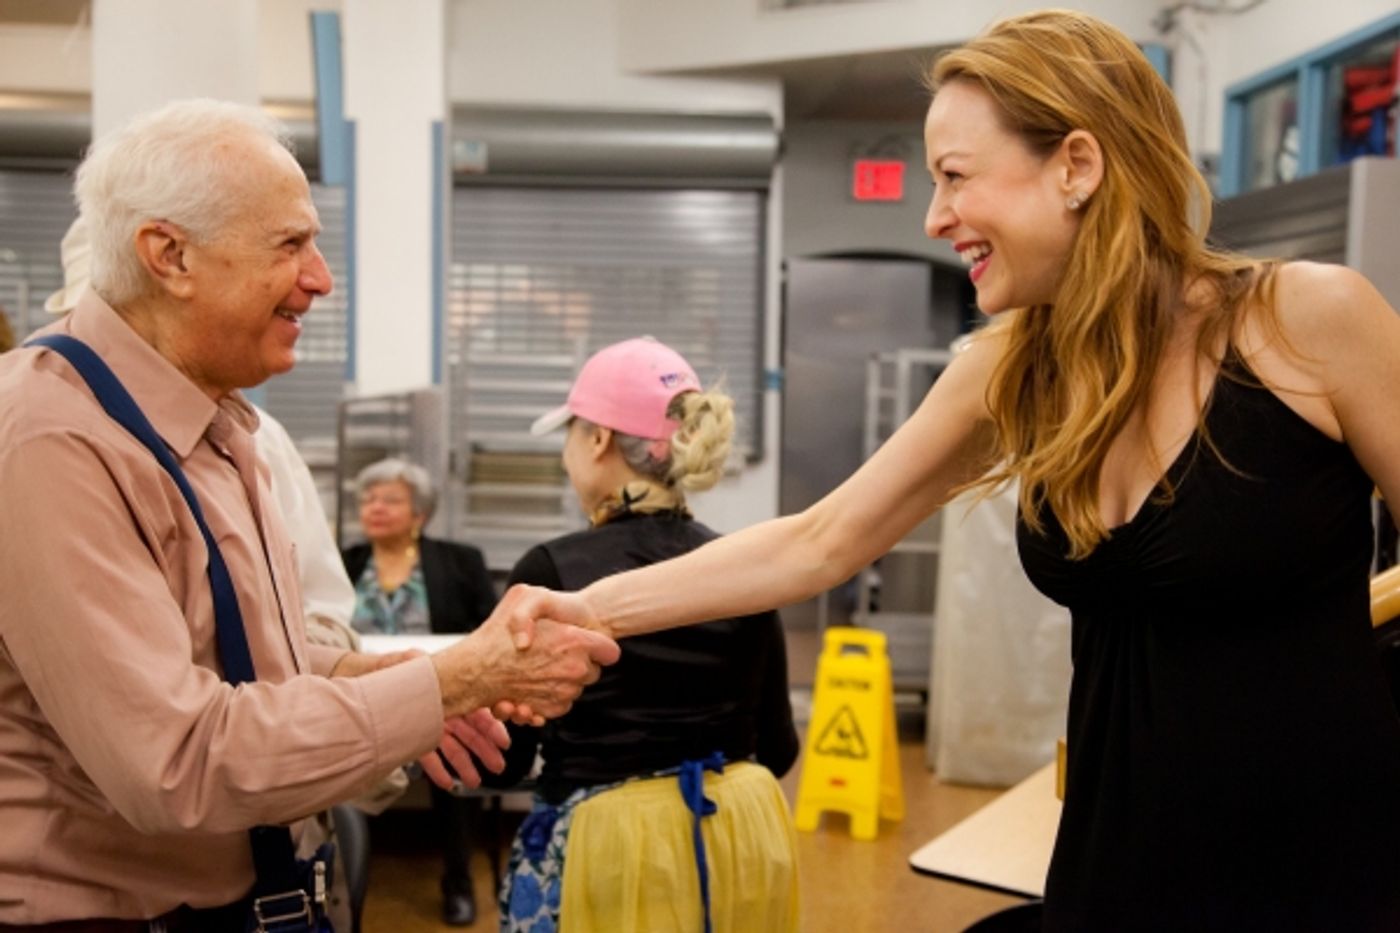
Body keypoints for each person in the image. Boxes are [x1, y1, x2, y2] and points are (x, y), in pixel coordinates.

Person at [492, 11, 1400, 931]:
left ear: (1076, 166)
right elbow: (819, 541)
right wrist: (580, 611)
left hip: (1323, 879)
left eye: (954, 177)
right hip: (1116, 874)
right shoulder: (1012, 369)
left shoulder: (1310, 322)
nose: (933, 217)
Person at [0, 98, 618, 930]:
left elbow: (253, 668)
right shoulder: (51, 442)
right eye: (290, 244)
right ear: (169, 254)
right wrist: (451, 680)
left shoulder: (215, 425)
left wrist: (406, 695)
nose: (321, 277)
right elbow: (178, 761)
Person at [482, 337, 799, 933]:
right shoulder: (740, 567)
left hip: (605, 856)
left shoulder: (552, 575)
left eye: (571, 435)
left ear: (598, 438)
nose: (565, 456)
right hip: (733, 844)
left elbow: (506, 762)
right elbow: (778, 750)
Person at [342, 457, 497, 926]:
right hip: (358, 699)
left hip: (438, 698)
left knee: (452, 759)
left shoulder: (459, 560)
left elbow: (487, 634)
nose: (376, 508)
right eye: (368, 499)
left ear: (420, 513)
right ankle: (341, 881)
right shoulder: (345, 561)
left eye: (390, 499)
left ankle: (459, 882)